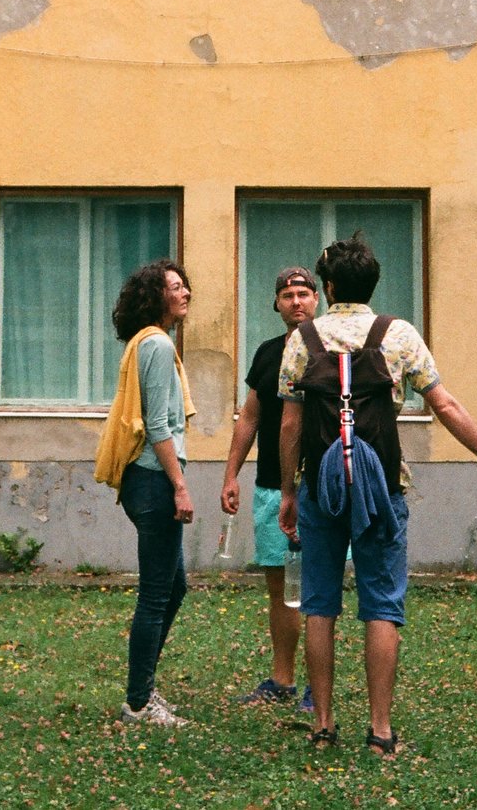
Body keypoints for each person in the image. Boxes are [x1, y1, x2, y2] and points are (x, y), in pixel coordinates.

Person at [278, 233, 477, 758]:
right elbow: (446, 405)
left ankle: (324, 724)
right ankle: (380, 731)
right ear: (372, 284)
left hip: (320, 490)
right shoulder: (398, 335)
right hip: (382, 486)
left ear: (327, 288)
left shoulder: (302, 339)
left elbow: (289, 425)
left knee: (320, 604)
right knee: (382, 605)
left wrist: (289, 491)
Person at [218, 265, 321, 707]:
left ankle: (320, 687)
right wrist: (230, 474)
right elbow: (250, 418)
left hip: (319, 487)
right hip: (269, 489)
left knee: (319, 589)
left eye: (303, 293)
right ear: (276, 304)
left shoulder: (333, 351)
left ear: (317, 300)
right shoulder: (265, 354)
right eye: (287, 295)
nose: (296, 301)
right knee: (280, 591)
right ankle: (282, 682)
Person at [99, 260, 195, 727]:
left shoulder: (154, 343)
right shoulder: (156, 344)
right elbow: (157, 424)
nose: (184, 293)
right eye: (174, 287)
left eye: (184, 286)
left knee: (174, 586)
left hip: (151, 478)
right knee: (157, 593)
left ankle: (144, 687)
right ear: (154, 298)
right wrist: (180, 485)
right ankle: (138, 701)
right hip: (156, 479)